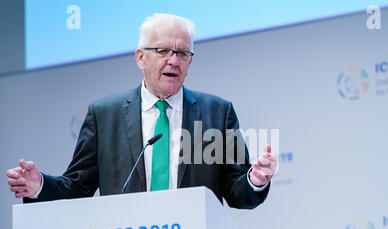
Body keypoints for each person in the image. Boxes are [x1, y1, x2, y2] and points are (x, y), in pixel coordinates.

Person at [6, 13, 277, 209]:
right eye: (163, 50)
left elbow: (237, 192)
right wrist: (39, 185)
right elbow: (77, 188)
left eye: (183, 53)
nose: (174, 60)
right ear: (140, 57)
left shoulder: (217, 113)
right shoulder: (104, 116)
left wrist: (254, 179)